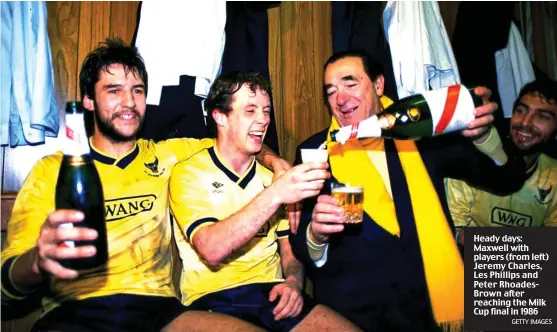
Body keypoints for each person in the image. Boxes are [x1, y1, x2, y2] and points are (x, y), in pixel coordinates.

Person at [0, 38, 289, 332]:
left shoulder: (168, 155)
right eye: (114, 91)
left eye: (137, 91)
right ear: (88, 100)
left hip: (158, 310)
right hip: (76, 311)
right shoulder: (54, 170)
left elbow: (237, 142)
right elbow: (5, 285)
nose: (128, 102)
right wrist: (37, 261)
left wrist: (275, 163)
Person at [289, 50, 527, 332]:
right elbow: (301, 245)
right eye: (331, 91)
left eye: (350, 84)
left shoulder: (422, 132)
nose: (340, 99)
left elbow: (506, 179)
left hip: (428, 310)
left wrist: (485, 137)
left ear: (378, 85)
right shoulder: (316, 152)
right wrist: (316, 236)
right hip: (353, 315)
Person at [169, 71, 361, 332]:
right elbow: (211, 249)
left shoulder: (272, 176)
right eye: (250, 110)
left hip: (272, 294)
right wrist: (276, 194)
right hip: (212, 298)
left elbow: (289, 252)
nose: (263, 120)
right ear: (220, 116)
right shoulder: (189, 172)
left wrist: (293, 282)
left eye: (267, 111)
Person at [447, 79, 557, 244]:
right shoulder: (472, 161)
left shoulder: (553, 176)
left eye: (541, 116)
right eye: (521, 111)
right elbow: (452, 234)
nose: (525, 123)